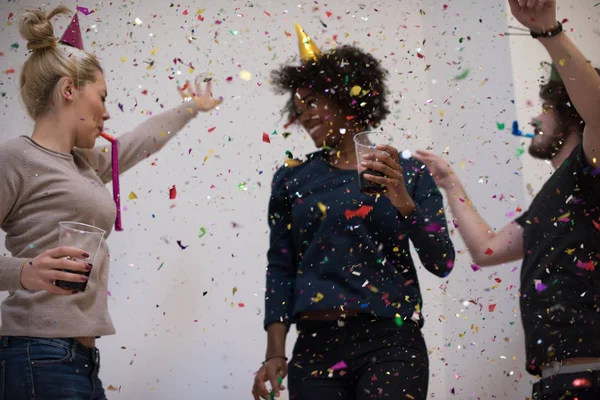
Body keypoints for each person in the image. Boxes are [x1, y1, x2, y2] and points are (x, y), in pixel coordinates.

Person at [0, 6, 222, 399]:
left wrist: (191, 107)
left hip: (79, 360)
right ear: (69, 90)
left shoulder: (83, 163)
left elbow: (139, 142)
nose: (105, 112)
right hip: (36, 352)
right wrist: (24, 271)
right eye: (101, 98)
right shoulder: (16, 159)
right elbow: (24, 271)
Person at [252, 24, 455, 400]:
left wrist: (402, 200)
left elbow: (442, 261)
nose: (305, 115)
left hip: (390, 342)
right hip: (315, 349)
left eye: (313, 101)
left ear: (347, 98)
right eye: (298, 108)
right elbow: (280, 266)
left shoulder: (406, 172)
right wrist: (275, 351)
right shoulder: (292, 178)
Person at [413, 1, 600, 398]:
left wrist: (548, 31)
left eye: (547, 108)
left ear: (571, 113)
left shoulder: (591, 170)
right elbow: (486, 249)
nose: (535, 119)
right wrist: (450, 184)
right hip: (555, 380)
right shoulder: (554, 197)